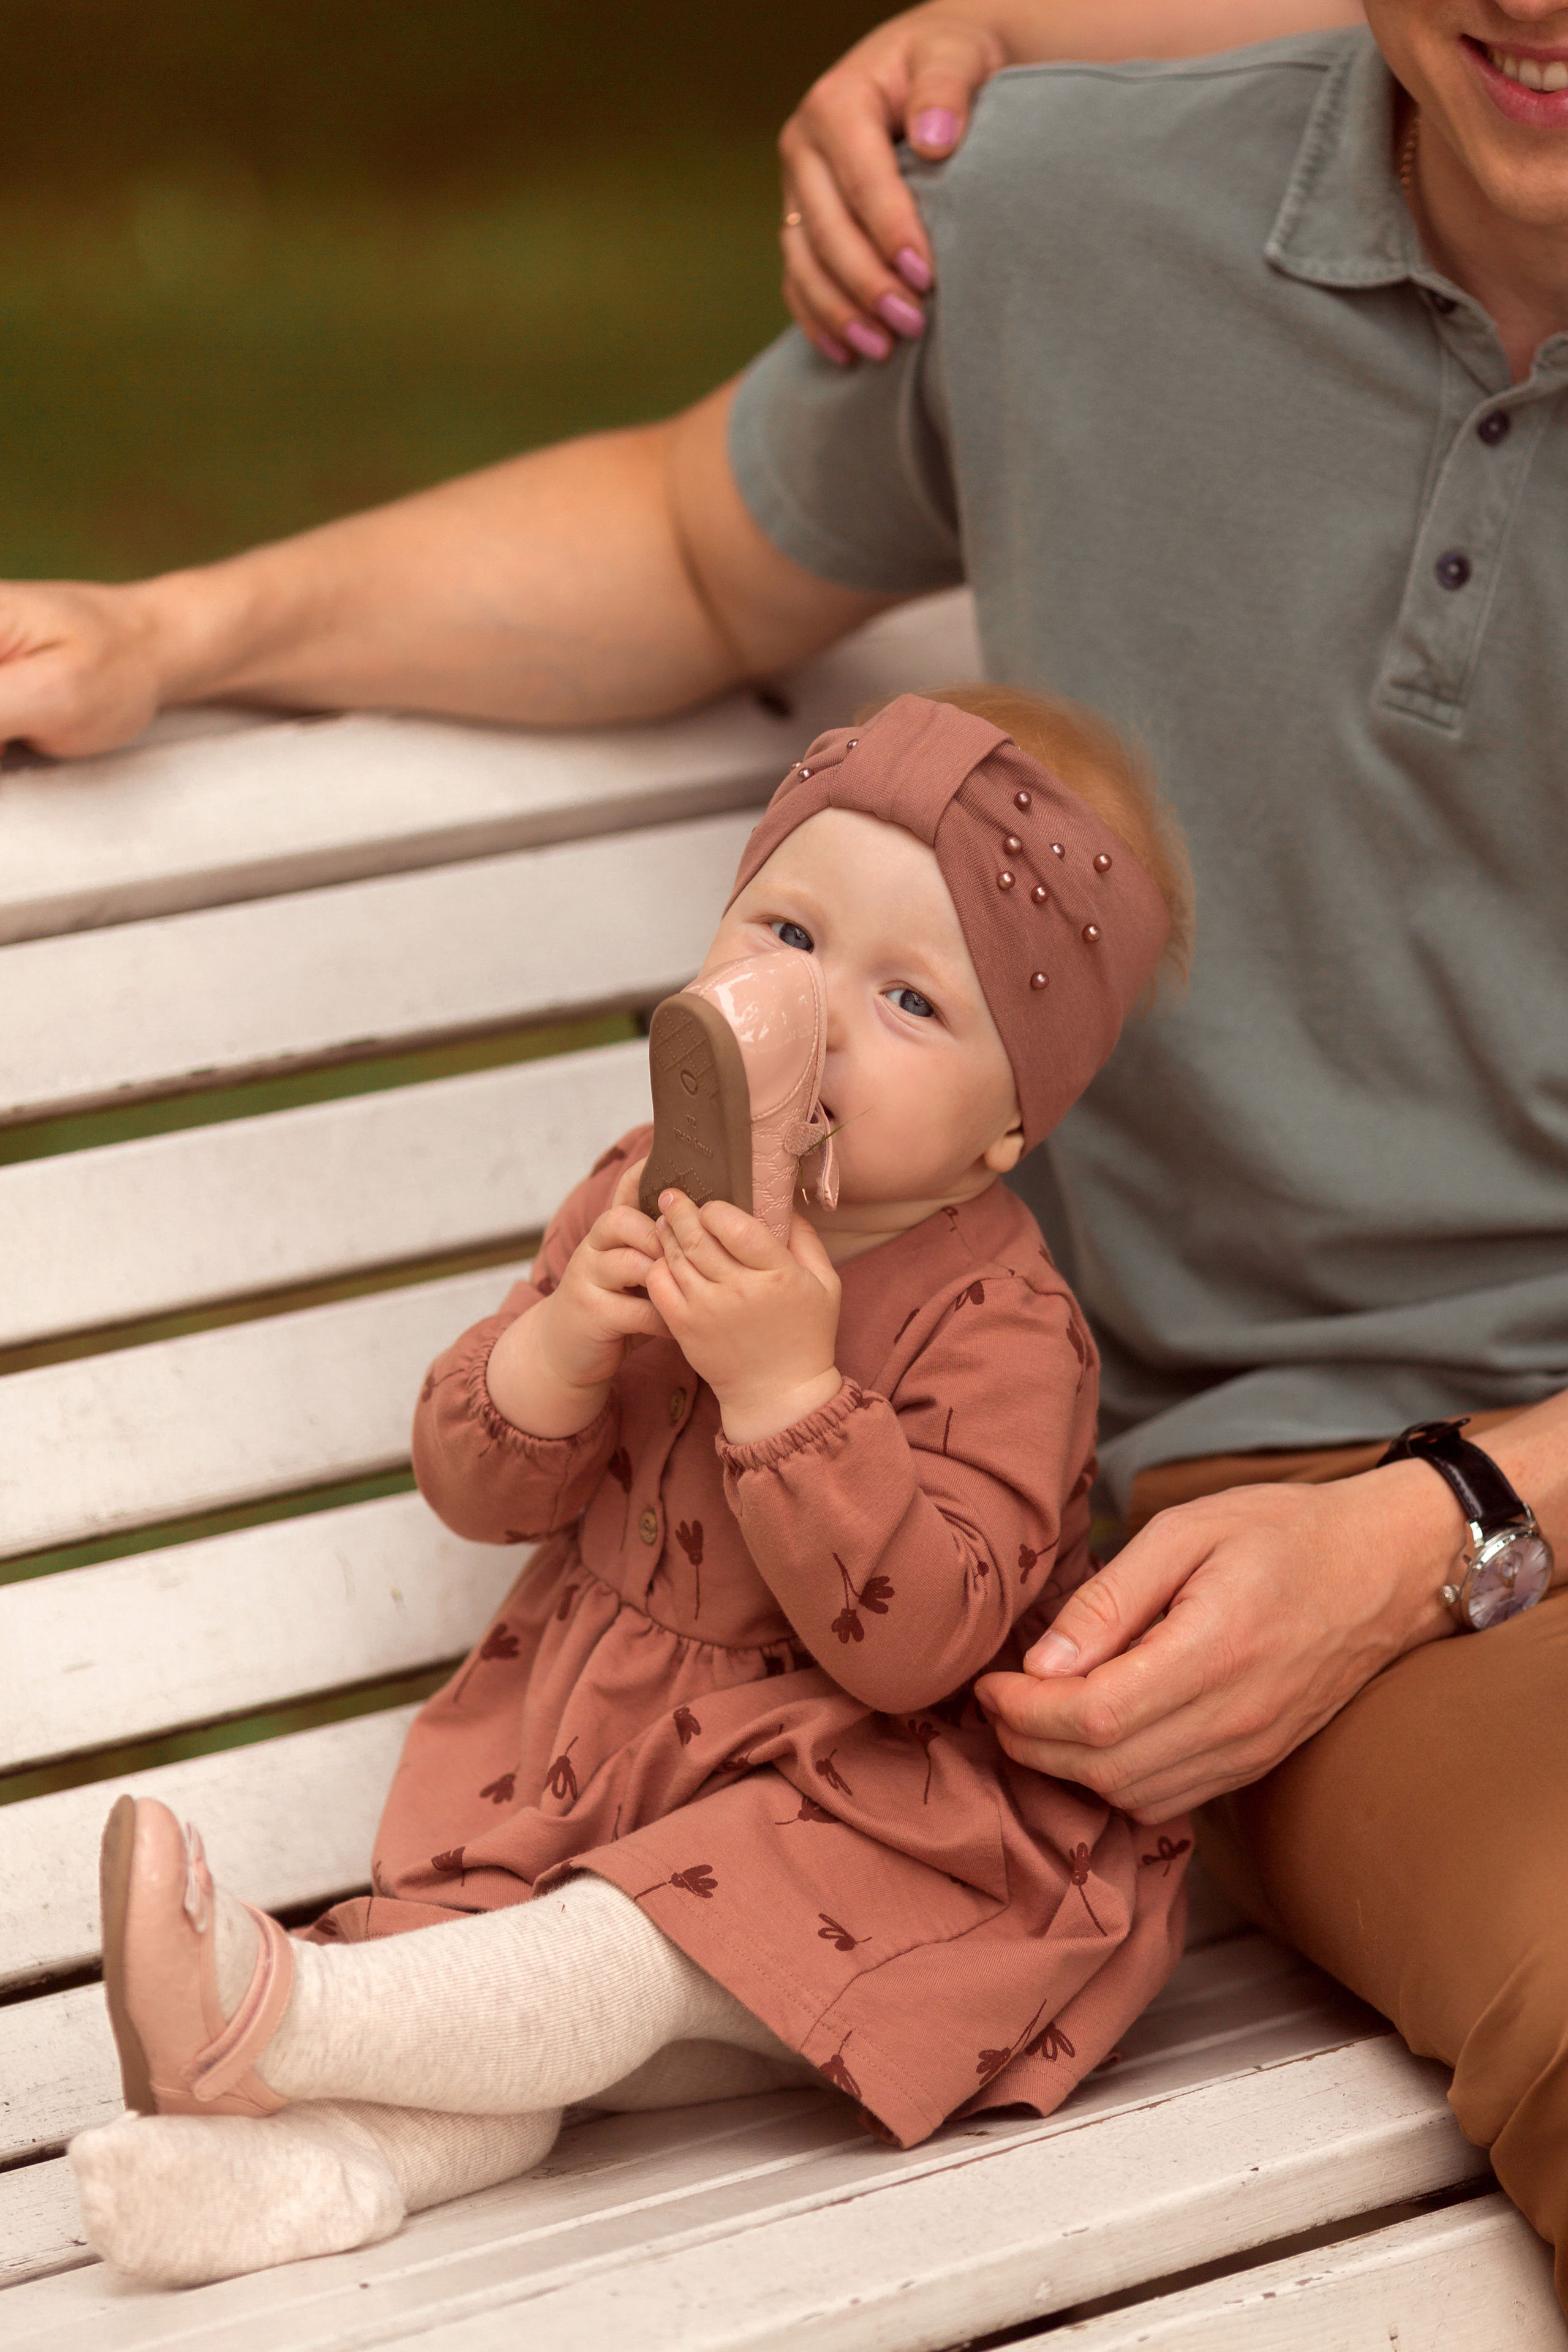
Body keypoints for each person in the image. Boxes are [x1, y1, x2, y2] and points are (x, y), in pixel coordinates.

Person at [6, 0, 1564, 2307]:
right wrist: (188, 625)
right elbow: (693, 539)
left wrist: (1472, 1517)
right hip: (1319, 1506)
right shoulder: (1061, 210)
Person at [71, 686, 1191, 2286]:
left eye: (911, 1002)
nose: (813, 1011)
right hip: (594, 1761)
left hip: (860, 1827)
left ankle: (281, 2009)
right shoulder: (636, 1190)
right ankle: (290, 2173)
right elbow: (478, 1485)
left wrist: (788, 1393)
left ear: (1013, 1124)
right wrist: (558, 1347)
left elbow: (919, 1647)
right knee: (530, 1993)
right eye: (786, 938)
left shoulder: (1009, 1334)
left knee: (634, 1943)